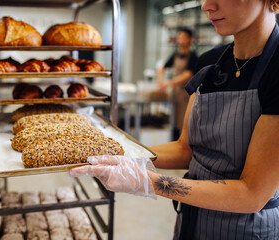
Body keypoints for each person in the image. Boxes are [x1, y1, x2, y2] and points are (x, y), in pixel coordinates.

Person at [70, 0, 279, 239]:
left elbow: (251, 194)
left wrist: (148, 181)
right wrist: (118, 154)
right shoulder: (210, 62)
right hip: (191, 220)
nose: (206, 6)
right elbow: (184, 150)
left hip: (247, 230)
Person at [156, 28, 198, 140]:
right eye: (179, 37)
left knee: (184, 123)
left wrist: (168, 83)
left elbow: (187, 74)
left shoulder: (193, 56)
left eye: (183, 37)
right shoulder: (175, 54)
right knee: (174, 122)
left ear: (190, 39)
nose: (181, 40)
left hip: (186, 94)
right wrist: (160, 81)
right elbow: (162, 68)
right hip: (175, 94)